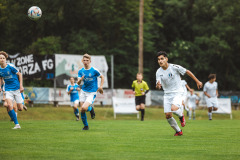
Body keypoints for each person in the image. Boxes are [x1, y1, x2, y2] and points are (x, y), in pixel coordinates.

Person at [156, 51, 202, 136]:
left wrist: (197, 81)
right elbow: (158, 84)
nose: (160, 61)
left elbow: (187, 71)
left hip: (177, 92)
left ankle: (181, 116)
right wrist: (158, 86)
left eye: (162, 59)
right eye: (158, 59)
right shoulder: (158, 72)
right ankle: (178, 131)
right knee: (168, 115)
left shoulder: (174, 67)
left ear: (166, 59)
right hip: (167, 95)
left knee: (173, 108)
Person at [77, 53, 104, 130]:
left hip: (92, 92)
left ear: (90, 61)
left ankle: (90, 109)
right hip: (83, 91)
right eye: (84, 60)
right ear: (82, 61)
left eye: (87, 60)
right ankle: (86, 126)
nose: (85, 62)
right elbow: (78, 83)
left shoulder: (94, 70)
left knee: (84, 108)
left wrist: (101, 87)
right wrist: (80, 80)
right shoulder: (81, 71)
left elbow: (102, 77)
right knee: (82, 109)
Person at [0, 51, 24, 129]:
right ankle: (17, 124)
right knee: (9, 105)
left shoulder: (10, 66)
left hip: (16, 89)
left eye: (3, 58)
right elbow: (0, 78)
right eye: (0, 58)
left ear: (6, 59)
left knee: (20, 108)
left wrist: (21, 86)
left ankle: (22, 99)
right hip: (8, 89)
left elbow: (19, 74)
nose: (2, 59)